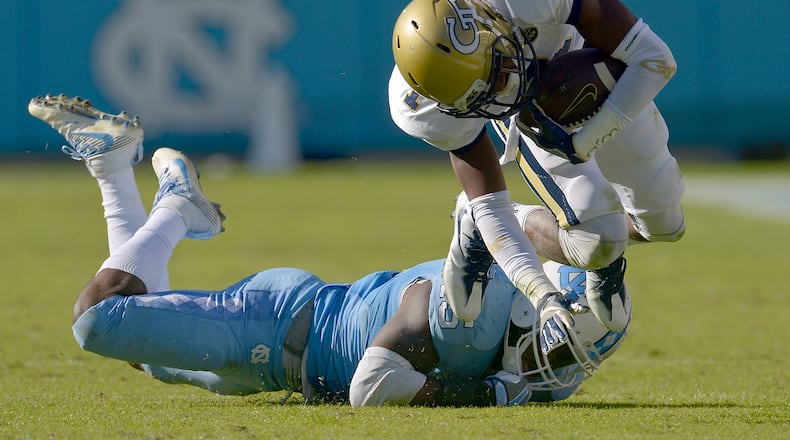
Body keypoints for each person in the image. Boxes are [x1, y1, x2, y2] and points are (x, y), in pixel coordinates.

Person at [29, 94, 630, 406]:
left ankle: (112, 164)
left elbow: (530, 238)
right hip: (277, 323)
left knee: (141, 350)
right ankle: (174, 207)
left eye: (575, 354)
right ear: (532, 305)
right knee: (98, 320)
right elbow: (373, 384)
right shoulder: (465, 314)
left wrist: (595, 253)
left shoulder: (551, 369)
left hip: (275, 369)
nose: (559, 365)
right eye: (562, 343)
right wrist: (485, 395)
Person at [389, 0, 685, 333]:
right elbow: (490, 202)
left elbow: (655, 59)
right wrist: (541, 292)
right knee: (601, 241)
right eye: (479, 96)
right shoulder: (422, 105)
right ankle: (478, 221)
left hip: (591, 69)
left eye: (497, 73)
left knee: (665, 225)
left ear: (491, 23)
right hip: (531, 113)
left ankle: (602, 238)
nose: (499, 92)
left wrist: (582, 143)